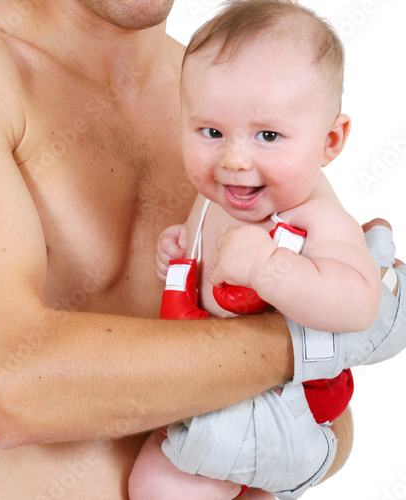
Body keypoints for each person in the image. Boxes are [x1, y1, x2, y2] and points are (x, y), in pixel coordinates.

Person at [0, 1, 404, 500]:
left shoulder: (235, 94)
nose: (237, 151)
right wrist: (319, 338)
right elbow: (7, 392)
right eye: (215, 135)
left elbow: (324, 420)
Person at [128, 1, 390, 499]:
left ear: (330, 141)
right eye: (211, 132)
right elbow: (208, 257)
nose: (234, 159)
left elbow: (360, 304)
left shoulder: (315, 216)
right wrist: (181, 249)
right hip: (219, 389)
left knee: (164, 486)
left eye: (268, 135)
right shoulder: (217, 197)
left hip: (286, 405)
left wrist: (272, 269)